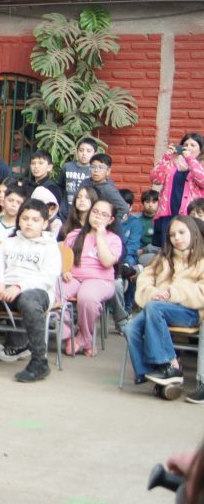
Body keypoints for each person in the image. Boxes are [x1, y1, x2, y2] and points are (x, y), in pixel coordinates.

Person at [0, 198, 62, 381]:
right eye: (25, 218)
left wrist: (19, 287)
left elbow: (47, 277)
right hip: (4, 290)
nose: (29, 223)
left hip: (35, 292)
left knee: (28, 301)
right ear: (19, 220)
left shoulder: (51, 248)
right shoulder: (9, 242)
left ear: (45, 223)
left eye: (35, 220)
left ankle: (39, 361)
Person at [125, 215, 204, 394]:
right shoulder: (163, 258)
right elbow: (145, 279)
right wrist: (154, 294)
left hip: (189, 311)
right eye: (173, 235)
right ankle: (154, 374)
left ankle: (171, 365)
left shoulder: (201, 259)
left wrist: (172, 294)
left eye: (182, 232)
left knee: (154, 308)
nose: (177, 238)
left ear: (194, 233)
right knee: (131, 328)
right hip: (159, 308)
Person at [61, 198, 122, 357]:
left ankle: (83, 338)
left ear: (111, 220)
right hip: (73, 277)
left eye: (103, 215)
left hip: (100, 281)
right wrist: (64, 270)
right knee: (55, 289)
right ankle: (68, 334)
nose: (98, 217)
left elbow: (107, 261)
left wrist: (100, 237)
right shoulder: (74, 235)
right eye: (95, 212)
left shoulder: (113, 239)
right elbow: (62, 258)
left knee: (87, 296)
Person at [151, 134, 204, 248]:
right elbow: (155, 179)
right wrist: (166, 158)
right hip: (168, 213)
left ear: (200, 150)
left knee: (189, 248)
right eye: (185, 144)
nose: (188, 147)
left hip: (191, 216)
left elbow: (202, 180)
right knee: (167, 249)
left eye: (192, 145)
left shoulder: (201, 165)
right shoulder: (173, 163)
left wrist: (190, 159)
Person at [27, 149, 67, 218]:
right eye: (33, 163)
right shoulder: (28, 184)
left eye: (40, 163)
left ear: (49, 167)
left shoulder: (52, 188)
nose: (36, 166)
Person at [60, 137, 98, 201]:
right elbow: (60, 186)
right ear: (77, 151)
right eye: (81, 150)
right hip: (67, 208)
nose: (84, 154)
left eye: (88, 151)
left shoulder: (96, 171)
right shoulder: (67, 166)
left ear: (95, 154)